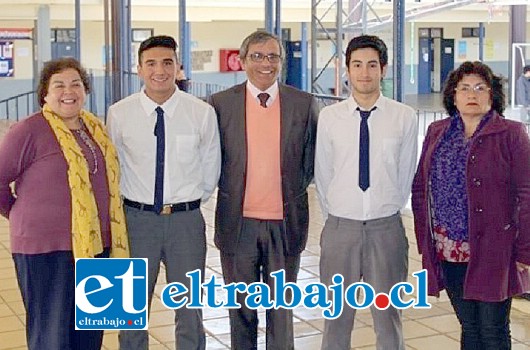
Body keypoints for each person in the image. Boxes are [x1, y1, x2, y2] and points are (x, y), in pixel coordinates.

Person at [0, 57, 129, 350]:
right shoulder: (28, 131)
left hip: (100, 244)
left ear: (85, 90)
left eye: (76, 84)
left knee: (91, 334)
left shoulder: (96, 129)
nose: (68, 91)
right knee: (52, 336)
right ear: (45, 93)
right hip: (46, 248)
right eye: (58, 85)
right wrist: (20, 214)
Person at [107, 35, 220, 350]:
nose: (160, 70)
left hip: (185, 222)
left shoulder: (200, 112)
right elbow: (113, 167)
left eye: (167, 62)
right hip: (135, 221)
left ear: (178, 67)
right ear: (140, 69)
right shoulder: (119, 113)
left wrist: (185, 203)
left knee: (189, 309)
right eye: (151, 63)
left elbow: (210, 169)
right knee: (129, 309)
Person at [208, 30, 318, 350]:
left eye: (272, 56)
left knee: (280, 311)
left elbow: (309, 162)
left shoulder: (304, 104)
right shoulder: (220, 104)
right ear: (242, 62)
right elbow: (212, 158)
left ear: (281, 62)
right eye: (257, 56)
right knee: (240, 310)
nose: (265, 63)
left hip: (286, 224)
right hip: (237, 224)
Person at [411, 61, 530, 349]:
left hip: (494, 248)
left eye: (480, 87)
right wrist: (425, 241)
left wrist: (525, 249)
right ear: (453, 95)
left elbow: (527, 192)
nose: (471, 94)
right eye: (464, 88)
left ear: (492, 95)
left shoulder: (511, 133)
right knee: (469, 326)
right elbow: (420, 186)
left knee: (492, 329)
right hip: (448, 248)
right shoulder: (437, 131)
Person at [315, 35, 418, 350]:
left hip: (385, 228)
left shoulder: (404, 117)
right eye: (356, 65)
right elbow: (323, 174)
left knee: (388, 318)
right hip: (339, 229)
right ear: (346, 69)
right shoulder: (329, 118)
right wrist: (340, 214)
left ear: (383, 69)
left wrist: (381, 209)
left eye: (372, 65)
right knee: (336, 317)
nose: (364, 73)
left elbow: (404, 174)